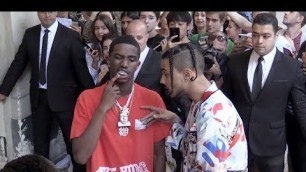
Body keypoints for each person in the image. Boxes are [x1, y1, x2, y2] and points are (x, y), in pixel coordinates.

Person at [0, 12, 95, 172]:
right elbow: (19, 63)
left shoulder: (70, 36)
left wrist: (92, 97)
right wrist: (4, 91)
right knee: (40, 146)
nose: (47, 15)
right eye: (43, 11)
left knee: (72, 144)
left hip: (65, 100)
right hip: (39, 98)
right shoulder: (30, 34)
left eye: (50, 11)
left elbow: (81, 70)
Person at [70, 35, 171, 172]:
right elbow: (80, 157)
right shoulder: (87, 98)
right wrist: (102, 107)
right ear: (108, 59)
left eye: (131, 59)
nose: (124, 64)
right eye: (118, 57)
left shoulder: (153, 99)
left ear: (138, 65)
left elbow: (158, 153)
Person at [141, 43, 248, 171]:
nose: (162, 80)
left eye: (166, 74)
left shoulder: (212, 118)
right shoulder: (201, 101)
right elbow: (192, 147)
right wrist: (174, 121)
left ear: (187, 74)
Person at [222, 13, 306, 172]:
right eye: (255, 35)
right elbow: (226, 101)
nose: (259, 41)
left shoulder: (291, 67)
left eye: (266, 36)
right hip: (238, 140)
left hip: (272, 144)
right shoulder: (236, 62)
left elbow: (300, 106)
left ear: (276, 36)